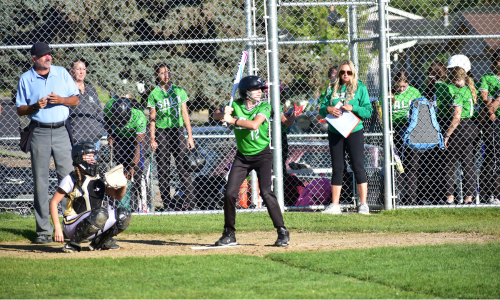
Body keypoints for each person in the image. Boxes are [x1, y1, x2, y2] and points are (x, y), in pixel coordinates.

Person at [212, 75, 290, 247]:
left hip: (262, 155)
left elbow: (255, 124)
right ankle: (229, 233)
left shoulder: (264, 106)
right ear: (246, 92)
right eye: (256, 89)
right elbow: (215, 115)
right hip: (242, 156)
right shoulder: (237, 105)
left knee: (266, 192)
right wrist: (223, 112)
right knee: (230, 193)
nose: (260, 92)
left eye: (261, 89)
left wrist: (233, 120)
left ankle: (282, 231)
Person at [15, 42, 79, 244]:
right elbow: (20, 109)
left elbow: (76, 99)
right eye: (43, 55)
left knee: (69, 180)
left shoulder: (61, 73)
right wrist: (34, 106)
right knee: (40, 184)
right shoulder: (26, 78)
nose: (48, 57)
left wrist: (61, 100)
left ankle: (72, 227)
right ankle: (43, 231)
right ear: (34, 58)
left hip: (61, 131)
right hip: (39, 132)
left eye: (49, 54)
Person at [49, 142, 130, 252]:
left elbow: (118, 195)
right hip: (73, 224)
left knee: (124, 215)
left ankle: (100, 242)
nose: (92, 158)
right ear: (78, 157)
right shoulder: (71, 178)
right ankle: (73, 243)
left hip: (96, 219)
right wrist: (57, 227)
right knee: (100, 213)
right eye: (88, 155)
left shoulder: (99, 177)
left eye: (93, 155)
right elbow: (53, 202)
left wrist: (123, 184)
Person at [318, 59, 373, 214]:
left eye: (349, 72)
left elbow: (368, 111)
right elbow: (321, 109)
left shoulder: (360, 88)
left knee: (357, 165)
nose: (345, 75)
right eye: (343, 72)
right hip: (336, 131)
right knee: (338, 167)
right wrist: (328, 109)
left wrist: (353, 107)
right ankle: (335, 205)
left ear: (353, 73)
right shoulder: (331, 88)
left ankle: (363, 204)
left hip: (354, 130)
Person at [147, 62, 196, 211]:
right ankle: (167, 205)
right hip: (162, 132)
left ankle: (192, 203)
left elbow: (185, 114)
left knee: (183, 166)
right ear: (157, 75)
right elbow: (152, 117)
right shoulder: (154, 94)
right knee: (163, 169)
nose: (166, 75)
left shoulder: (179, 91)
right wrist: (153, 138)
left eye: (167, 72)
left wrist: (189, 136)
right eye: (162, 73)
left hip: (177, 130)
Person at [441, 55, 479, 204]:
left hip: (460, 129)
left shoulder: (457, 92)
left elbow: (456, 117)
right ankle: (469, 197)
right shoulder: (470, 90)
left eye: (454, 78)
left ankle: (450, 197)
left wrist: (447, 135)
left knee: (450, 163)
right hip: (471, 128)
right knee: (467, 163)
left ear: (457, 79)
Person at [104, 98, 147, 211]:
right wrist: (110, 134)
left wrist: (132, 166)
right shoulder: (110, 106)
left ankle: (143, 206)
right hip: (120, 137)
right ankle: (126, 206)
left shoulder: (139, 118)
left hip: (135, 139)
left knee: (136, 172)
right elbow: (106, 118)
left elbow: (139, 146)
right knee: (121, 171)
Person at [390, 70, 423, 205]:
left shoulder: (414, 92)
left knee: (412, 165)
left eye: (404, 86)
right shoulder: (389, 93)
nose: (401, 89)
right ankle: (396, 197)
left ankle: (411, 198)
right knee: (396, 165)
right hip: (394, 131)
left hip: (411, 131)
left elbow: (420, 111)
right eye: (399, 86)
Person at [478, 50, 500, 203]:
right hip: (493, 122)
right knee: (493, 158)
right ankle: (490, 194)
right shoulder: (486, 78)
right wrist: (492, 112)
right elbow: (488, 106)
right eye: (498, 60)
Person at [68, 60, 105, 148]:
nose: (81, 72)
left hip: (94, 138)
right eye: (78, 69)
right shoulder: (68, 89)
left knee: (92, 162)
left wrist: (99, 129)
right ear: (71, 71)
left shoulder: (91, 89)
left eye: (84, 69)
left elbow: (99, 110)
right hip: (75, 138)